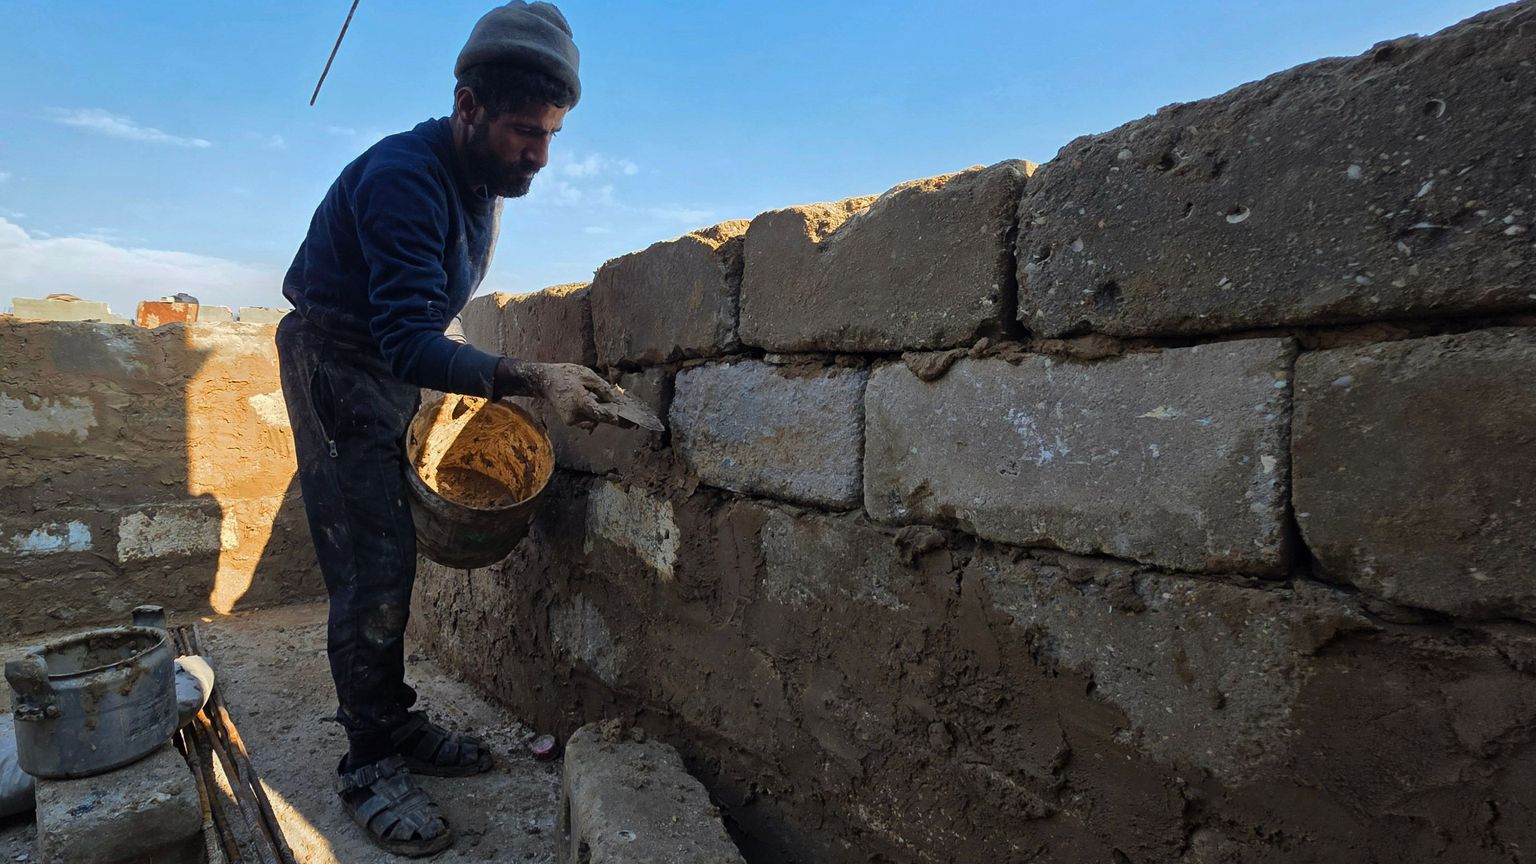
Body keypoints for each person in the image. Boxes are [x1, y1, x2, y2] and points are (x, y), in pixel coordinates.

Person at [275, 2, 625, 855]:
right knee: (371, 565)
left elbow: (429, 312)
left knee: (391, 554)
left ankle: (392, 722)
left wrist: (454, 369)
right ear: (467, 106)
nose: (540, 155)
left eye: (550, 135)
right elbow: (401, 334)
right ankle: (367, 761)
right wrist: (531, 378)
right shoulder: (403, 176)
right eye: (523, 132)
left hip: (384, 363)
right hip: (336, 361)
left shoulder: (481, 182)